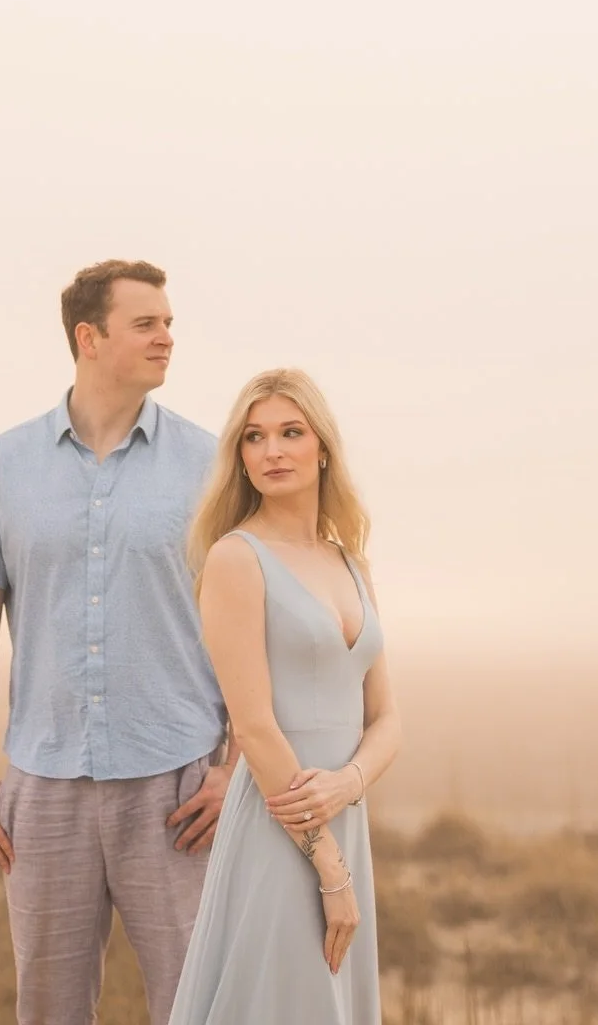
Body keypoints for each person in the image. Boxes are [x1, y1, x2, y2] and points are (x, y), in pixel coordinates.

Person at [0, 259, 233, 1025]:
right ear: (88, 337)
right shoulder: (0, 468)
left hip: (180, 787)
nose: (168, 338)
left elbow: (249, 624)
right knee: (49, 1011)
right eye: (147, 324)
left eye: (170, 323)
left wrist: (233, 767)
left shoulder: (212, 466)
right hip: (42, 790)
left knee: (197, 1006)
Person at [169, 368, 401, 1025]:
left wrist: (347, 784)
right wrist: (329, 867)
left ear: (321, 446)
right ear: (239, 457)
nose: (271, 451)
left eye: (290, 432)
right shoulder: (236, 559)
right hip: (284, 827)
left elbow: (388, 719)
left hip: (342, 821)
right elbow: (256, 728)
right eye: (254, 437)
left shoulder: (351, 563)